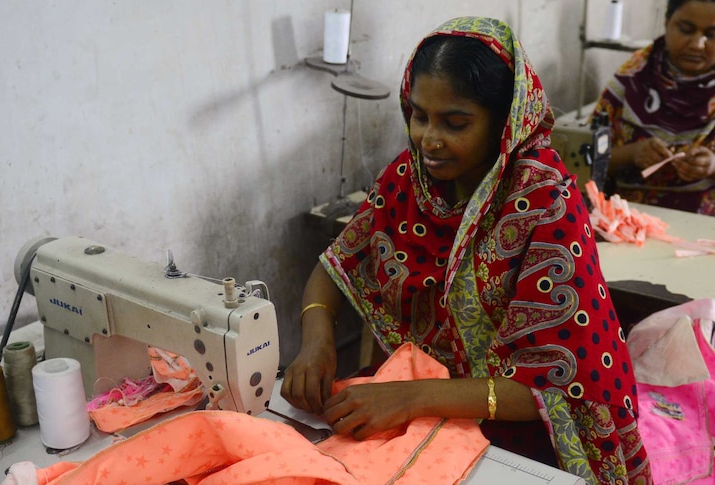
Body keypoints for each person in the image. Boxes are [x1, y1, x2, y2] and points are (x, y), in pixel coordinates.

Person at [282, 16, 652, 485]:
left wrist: (414, 397)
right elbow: (335, 268)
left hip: (530, 434)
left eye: (455, 123)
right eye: (419, 116)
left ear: (504, 120)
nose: (429, 140)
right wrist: (316, 342)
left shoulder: (544, 203)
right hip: (423, 405)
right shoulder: (408, 180)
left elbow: (562, 386)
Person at [592, 0, 715, 215]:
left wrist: (712, 165)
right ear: (666, 23)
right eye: (686, 30)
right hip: (628, 216)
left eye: (712, 34)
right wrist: (631, 154)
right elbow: (583, 157)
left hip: (703, 224)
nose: (697, 44)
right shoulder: (633, 77)